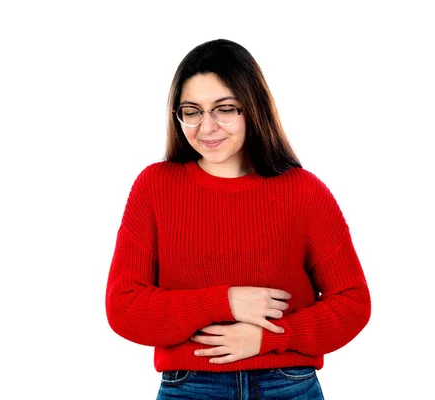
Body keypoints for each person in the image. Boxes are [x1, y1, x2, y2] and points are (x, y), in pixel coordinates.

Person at [105, 38, 371, 400]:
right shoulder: (155, 187)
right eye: (192, 110)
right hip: (190, 388)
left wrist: (271, 336)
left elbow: (352, 301)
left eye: (225, 109)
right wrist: (224, 302)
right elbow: (124, 307)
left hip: (287, 384)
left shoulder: (304, 191)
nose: (207, 126)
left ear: (253, 108)